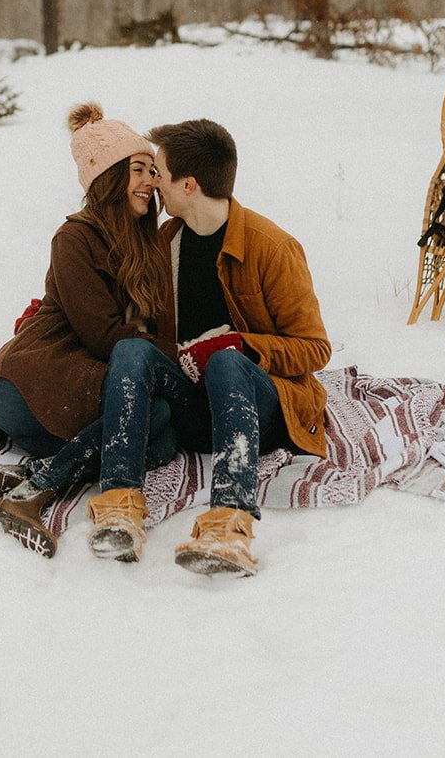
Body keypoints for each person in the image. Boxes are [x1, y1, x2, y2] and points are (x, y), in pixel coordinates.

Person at [0, 103, 184, 561]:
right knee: (153, 418)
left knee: (160, 437)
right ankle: (31, 497)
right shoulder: (75, 238)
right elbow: (103, 335)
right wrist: (163, 351)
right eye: (139, 170)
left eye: (153, 171)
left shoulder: (151, 245)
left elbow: (158, 334)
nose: (151, 181)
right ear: (108, 178)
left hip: (86, 391)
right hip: (32, 385)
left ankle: (12, 483)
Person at [147, 117, 331, 576]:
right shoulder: (165, 243)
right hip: (195, 408)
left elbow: (314, 348)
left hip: (261, 405)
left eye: (158, 173)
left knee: (227, 363)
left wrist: (240, 346)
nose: (153, 183)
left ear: (187, 185)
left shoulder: (271, 247)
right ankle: (43, 486)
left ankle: (229, 523)